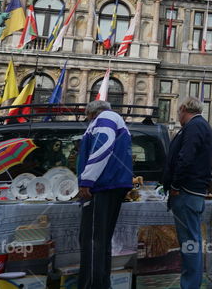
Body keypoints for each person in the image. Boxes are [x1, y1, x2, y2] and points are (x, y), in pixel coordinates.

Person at [77, 100, 133, 289]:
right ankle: (101, 283)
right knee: (101, 240)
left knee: (92, 240)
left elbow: (102, 147)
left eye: (87, 117)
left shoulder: (105, 118)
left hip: (102, 186)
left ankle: (91, 285)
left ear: (92, 113)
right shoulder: (114, 119)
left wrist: (87, 180)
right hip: (111, 184)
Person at [164, 97, 212, 289]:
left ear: (184, 109)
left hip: (186, 191)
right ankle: (191, 283)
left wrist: (175, 185)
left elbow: (185, 158)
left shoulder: (194, 126)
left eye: (178, 112)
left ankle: (190, 285)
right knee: (191, 241)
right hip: (190, 190)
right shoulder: (198, 126)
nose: (178, 116)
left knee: (189, 242)